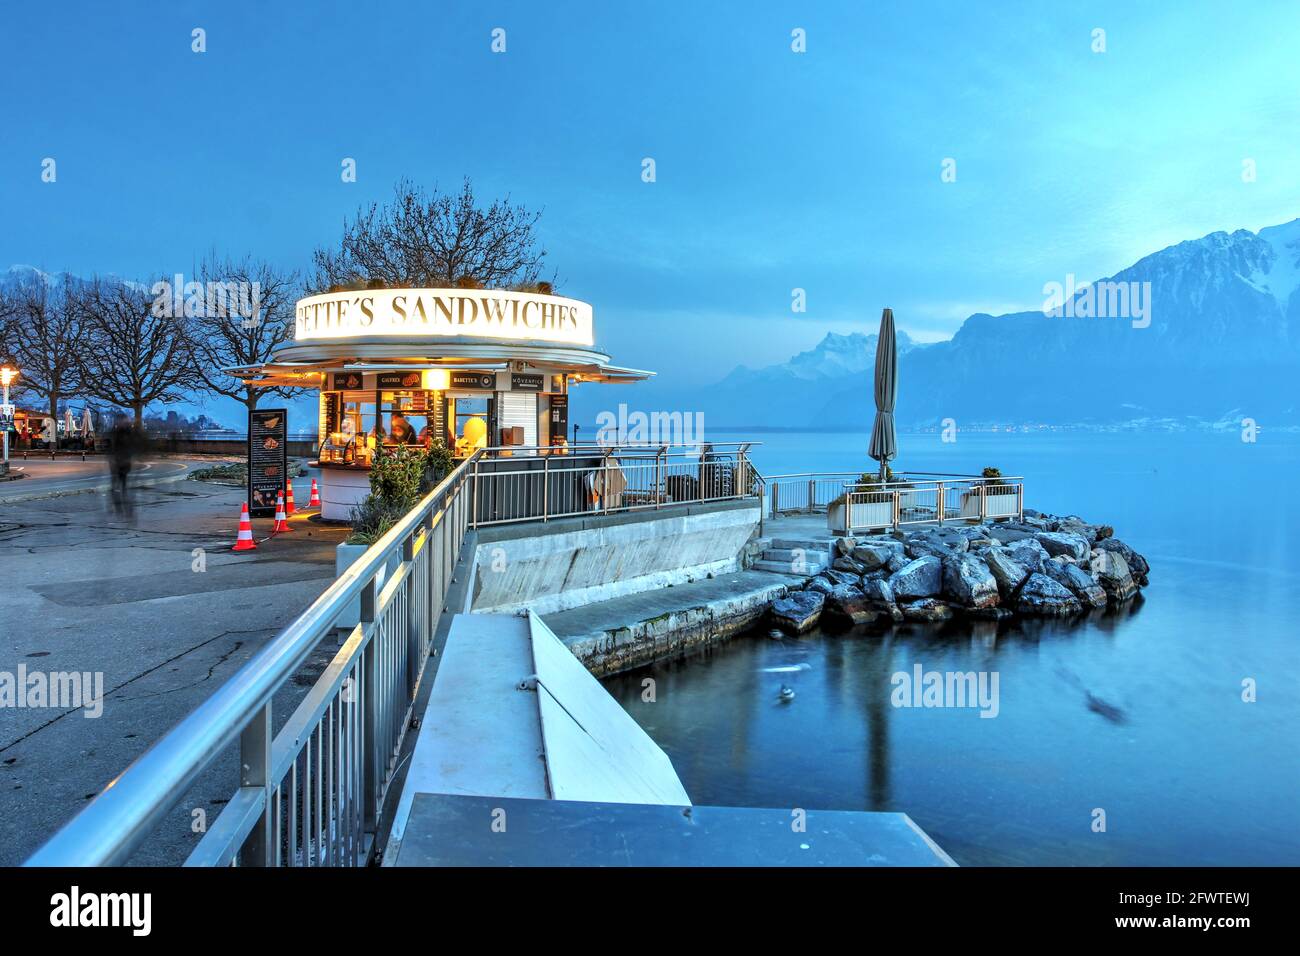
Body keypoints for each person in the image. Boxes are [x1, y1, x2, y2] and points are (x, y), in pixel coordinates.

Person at [108, 414, 142, 519]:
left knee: (120, 485)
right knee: (118, 485)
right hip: (120, 462)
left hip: (123, 463)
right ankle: (121, 507)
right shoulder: (122, 433)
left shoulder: (121, 433)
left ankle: (121, 507)